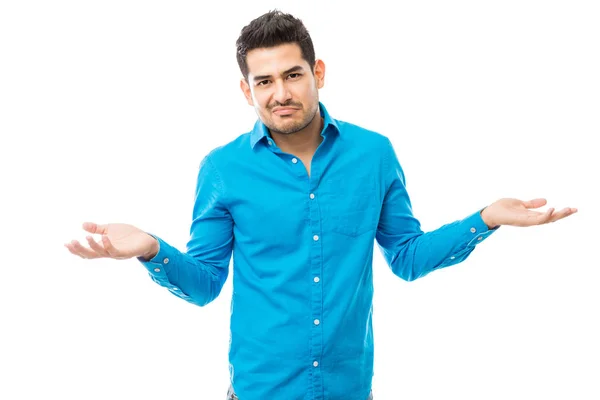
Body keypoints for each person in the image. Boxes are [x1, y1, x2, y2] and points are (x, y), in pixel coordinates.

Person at [64, 10, 577, 400]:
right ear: (247, 90)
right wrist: (151, 248)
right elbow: (205, 285)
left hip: (350, 389)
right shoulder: (223, 170)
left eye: (292, 75)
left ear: (318, 73)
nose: (280, 93)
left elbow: (408, 257)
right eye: (264, 81)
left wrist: (485, 219)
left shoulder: (374, 154)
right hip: (260, 392)